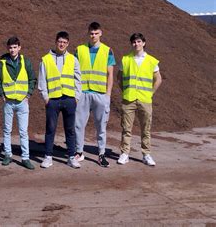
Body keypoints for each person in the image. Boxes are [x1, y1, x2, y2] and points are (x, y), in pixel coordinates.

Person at [38, 31, 82, 169]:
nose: (62, 44)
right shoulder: (46, 59)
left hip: (69, 99)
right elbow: (42, 80)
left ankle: (71, 157)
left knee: (70, 129)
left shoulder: (73, 59)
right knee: (50, 129)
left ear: (68, 43)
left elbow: (78, 79)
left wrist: (76, 97)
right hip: (53, 100)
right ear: (56, 42)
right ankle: (48, 156)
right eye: (59, 41)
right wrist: (46, 98)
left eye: (64, 42)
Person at [117, 33, 162, 166]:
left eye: (138, 41)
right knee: (126, 128)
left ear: (144, 43)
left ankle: (146, 154)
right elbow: (119, 78)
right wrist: (124, 91)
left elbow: (158, 79)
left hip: (145, 99)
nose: (136, 44)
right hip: (128, 99)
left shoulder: (152, 61)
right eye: (134, 42)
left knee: (146, 128)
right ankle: (125, 153)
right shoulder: (125, 60)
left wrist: (150, 93)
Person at [74, 22, 115, 167]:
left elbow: (110, 74)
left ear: (101, 33)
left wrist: (108, 94)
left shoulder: (107, 50)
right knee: (78, 125)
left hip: (100, 94)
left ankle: (101, 154)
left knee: (101, 126)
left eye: (96, 33)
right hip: (83, 93)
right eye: (91, 33)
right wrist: (76, 93)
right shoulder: (79, 50)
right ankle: (79, 152)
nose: (94, 36)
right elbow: (74, 72)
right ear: (88, 33)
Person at [0, 36, 37, 170]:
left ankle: (25, 158)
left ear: (19, 48)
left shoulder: (26, 62)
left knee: (23, 131)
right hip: (8, 102)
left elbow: (32, 79)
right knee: (7, 130)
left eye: (15, 47)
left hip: (22, 102)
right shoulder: (2, 62)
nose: (12, 50)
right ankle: (7, 155)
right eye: (10, 47)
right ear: (8, 48)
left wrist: (28, 94)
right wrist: (2, 94)